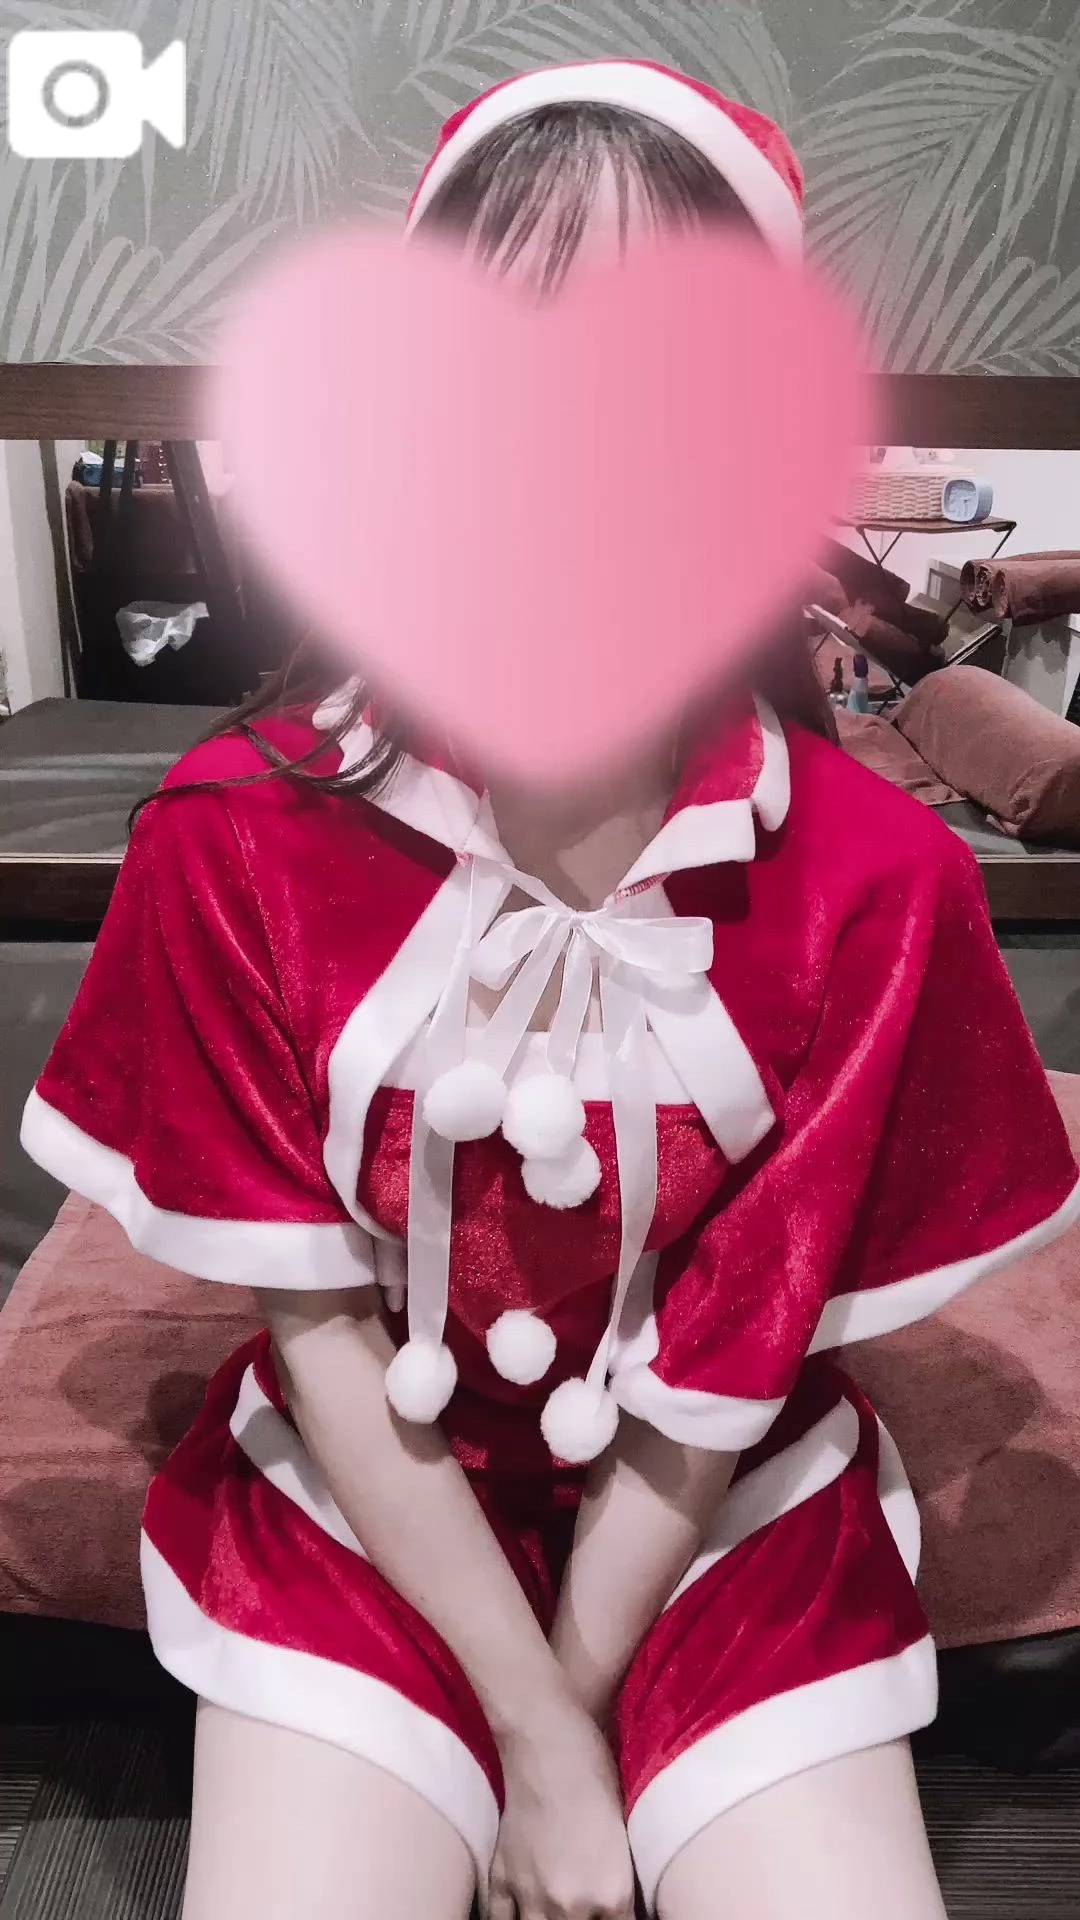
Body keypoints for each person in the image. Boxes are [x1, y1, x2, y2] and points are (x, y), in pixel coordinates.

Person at [21, 59, 1080, 1920]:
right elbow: (320, 1329)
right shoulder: (231, 838)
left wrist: (570, 1714)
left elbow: (741, 1348)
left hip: (727, 1520)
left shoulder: (877, 882)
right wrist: (530, 1730)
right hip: (354, 1515)